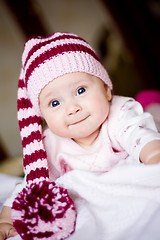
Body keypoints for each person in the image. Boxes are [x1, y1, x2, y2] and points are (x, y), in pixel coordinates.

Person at [0, 32, 160, 240]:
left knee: (151, 116)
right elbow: (33, 186)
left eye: (81, 90)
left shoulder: (120, 113)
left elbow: (140, 138)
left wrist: (154, 156)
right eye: (55, 103)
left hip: (142, 134)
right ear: (43, 116)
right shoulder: (49, 143)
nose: (72, 108)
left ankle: (150, 101)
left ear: (106, 89)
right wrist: (7, 219)